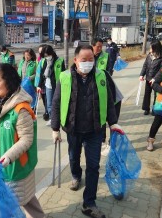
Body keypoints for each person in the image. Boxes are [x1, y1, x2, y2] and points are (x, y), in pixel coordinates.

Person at [51, 45, 124, 218]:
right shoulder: (65, 77)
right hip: (73, 128)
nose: (88, 63)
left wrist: (113, 123)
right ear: (75, 60)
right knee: (73, 157)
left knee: (93, 166)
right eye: (84, 60)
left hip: (94, 130)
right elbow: (55, 102)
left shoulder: (102, 76)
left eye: (91, 60)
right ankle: (76, 175)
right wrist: (55, 128)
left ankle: (89, 203)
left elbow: (109, 101)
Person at [0, 63, 45, 218]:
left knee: (13, 203)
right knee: (26, 198)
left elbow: (26, 139)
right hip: (0, 164)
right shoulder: (0, 101)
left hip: (14, 166)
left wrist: (8, 157)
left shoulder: (21, 108)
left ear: (9, 81)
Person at [139, 40, 162, 115]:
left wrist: (155, 79)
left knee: (156, 95)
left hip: (157, 79)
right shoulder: (150, 54)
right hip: (148, 77)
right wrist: (142, 75)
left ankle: (155, 109)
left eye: (151, 48)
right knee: (147, 93)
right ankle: (146, 108)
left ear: (156, 48)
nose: (150, 50)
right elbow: (145, 65)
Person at [39, 45, 66, 126]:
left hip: (58, 85)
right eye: (45, 55)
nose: (46, 57)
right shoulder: (43, 61)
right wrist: (39, 85)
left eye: (47, 55)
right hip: (48, 85)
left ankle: (60, 118)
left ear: (51, 53)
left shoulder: (60, 61)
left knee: (58, 102)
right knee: (49, 103)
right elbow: (41, 74)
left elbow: (63, 73)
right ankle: (52, 118)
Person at [34, 44, 49, 121]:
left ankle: (47, 113)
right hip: (40, 83)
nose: (40, 53)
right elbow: (38, 72)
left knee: (47, 99)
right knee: (43, 98)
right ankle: (47, 112)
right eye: (39, 52)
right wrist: (37, 84)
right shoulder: (39, 59)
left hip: (46, 83)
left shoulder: (46, 60)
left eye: (41, 51)